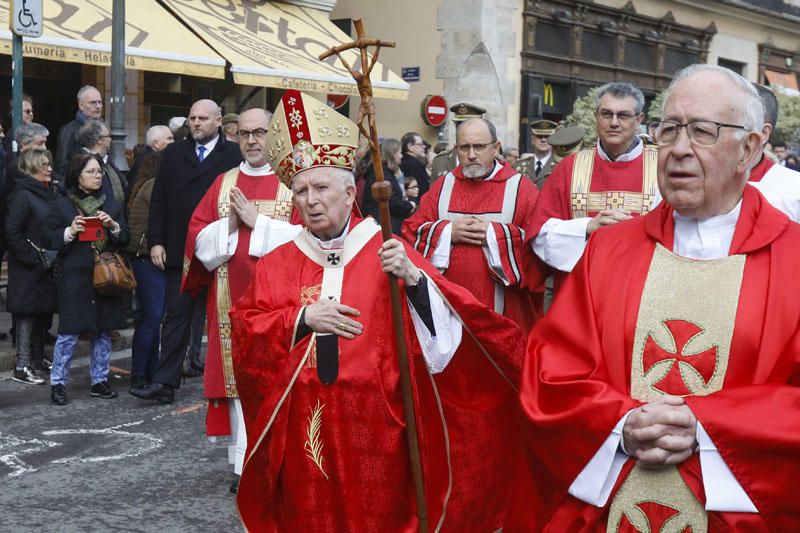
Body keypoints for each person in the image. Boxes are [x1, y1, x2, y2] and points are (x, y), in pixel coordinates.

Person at [506, 64, 800, 532]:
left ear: (750, 147)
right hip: (612, 505)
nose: (680, 149)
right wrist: (619, 425)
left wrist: (708, 428)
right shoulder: (608, 250)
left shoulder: (794, 262)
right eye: (669, 129)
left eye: (702, 132)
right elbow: (551, 374)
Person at [230, 89, 525, 531]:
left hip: (380, 431)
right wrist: (301, 319)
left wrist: (414, 281)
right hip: (305, 438)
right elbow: (245, 333)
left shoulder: (389, 252)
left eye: (321, 187)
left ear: (350, 193)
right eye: (301, 190)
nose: (310, 200)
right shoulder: (277, 263)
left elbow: (449, 339)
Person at [181, 108, 301, 485]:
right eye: (244, 133)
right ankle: (243, 466)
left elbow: (311, 237)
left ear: (274, 135)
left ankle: (281, 460)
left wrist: (258, 223)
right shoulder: (224, 183)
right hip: (229, 304)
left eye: (260, 132)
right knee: (238, 385)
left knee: (277, 380)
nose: (251, 140)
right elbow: (197, 238)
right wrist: (228, 227)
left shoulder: (292, 182)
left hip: (280, 303)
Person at [130, 99, 242, 404]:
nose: (196, 123)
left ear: (218, 121)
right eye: (192, 118)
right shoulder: (174, 153)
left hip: (222, 249)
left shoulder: (234, 154)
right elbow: (160, 199)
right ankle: (164, 383)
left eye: (203, 118)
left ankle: (235, 380)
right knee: (176, 318)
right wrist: (156, 241)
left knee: (226, 317)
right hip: (181, 250)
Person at [402, 117, 543, 332]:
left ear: (495, 148)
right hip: (449, 310)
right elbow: (411, 232)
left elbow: (539, 243)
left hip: (504, 311)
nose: (471, 155)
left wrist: (495, 235)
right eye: (464, 147)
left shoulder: (520, 188)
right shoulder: (444, 185)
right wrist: (448, 232)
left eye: (479, 147)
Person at [529, 82, 656, 289]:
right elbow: (540, 234)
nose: (614, 122)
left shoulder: (661, 168)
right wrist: (586, 228)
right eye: (607, 114)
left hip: (642, 290)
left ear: (639, 120)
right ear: (596, 116)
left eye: (623, 115)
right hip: (581, 292)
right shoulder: (569, 167)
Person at [43, 153, 129, 406]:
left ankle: (99, 381)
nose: (97, 176)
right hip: (74, 276)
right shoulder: (61, 205)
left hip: (105, 277)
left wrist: (113, 226)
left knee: (103, 331)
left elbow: (126, 237)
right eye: (90, 172)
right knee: (68, 332)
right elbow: (47, 236)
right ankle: (58, 383)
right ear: (77, 176)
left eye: (99, 172)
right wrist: (69, 231)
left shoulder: (111, 204)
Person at [4, 149, 59, 384]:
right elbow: (12, 230)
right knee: (26, 315)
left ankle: (36, 360)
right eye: (43, 164)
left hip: (42, 265)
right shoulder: (22, 194)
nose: (49, 168)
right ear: (30, 168)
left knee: (39, 314)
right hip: (29, 266)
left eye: (49, 164)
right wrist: (31, 257)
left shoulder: (46, 192)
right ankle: (22, 365)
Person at [125, 151, 165, 390]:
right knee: (151, 317)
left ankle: (149, 369)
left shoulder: (146, 184)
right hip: (146, 259)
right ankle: (140, 372)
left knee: (151, 317)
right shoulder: (154, 187)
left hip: (143, 259)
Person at [361, 138, 415, 234]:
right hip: (382, 226)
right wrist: (410, 205)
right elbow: (390, 202)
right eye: (400, 152)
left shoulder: (385, 173)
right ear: (392, 154)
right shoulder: (381, 175)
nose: (401, 156)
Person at [430, 102, 486, 181]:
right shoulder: (440, 161)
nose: (463, 130)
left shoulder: (494, 161)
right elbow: (434, 192)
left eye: (469, 126)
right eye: (459, 125)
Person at [77, 119, 127, 205]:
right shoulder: (82, 163)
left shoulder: (107, 161)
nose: (111, 140)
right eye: (108, 136)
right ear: (99, 140)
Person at [56, 85, 103, 174]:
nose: (98, 106)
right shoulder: (68, 131)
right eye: (93, 102)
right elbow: (61, 167)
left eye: (100, 102)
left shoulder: (102, 130)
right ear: (81, 105)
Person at [127, 125, 174, 191]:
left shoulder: (144, 158)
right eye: (169, 139)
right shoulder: (150, 162)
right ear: (156, 144)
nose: (173, 142)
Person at [516, 119, 557, 189]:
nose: (543, 140)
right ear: (532, 140)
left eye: (547, 137)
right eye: (539, 136)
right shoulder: (520, 166)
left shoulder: (559, 166)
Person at [399, 131, 430, 197]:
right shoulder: (411, 165)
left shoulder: (409, 162)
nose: (424, 147)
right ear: (410, 147)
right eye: (420, 144)